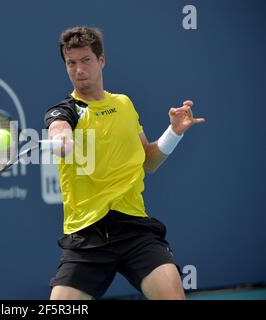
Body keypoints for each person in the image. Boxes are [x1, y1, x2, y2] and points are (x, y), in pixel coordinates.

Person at [44, 26, 205, 300]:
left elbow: (148, 162)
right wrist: (63, 141)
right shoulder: (64, 111)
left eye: (86, 60)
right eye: (71, 63)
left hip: (134, 229)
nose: (79, 69)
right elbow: (59, 130)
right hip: (86, 236)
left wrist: (174, 133)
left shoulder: (124, 104)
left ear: (101, 60)